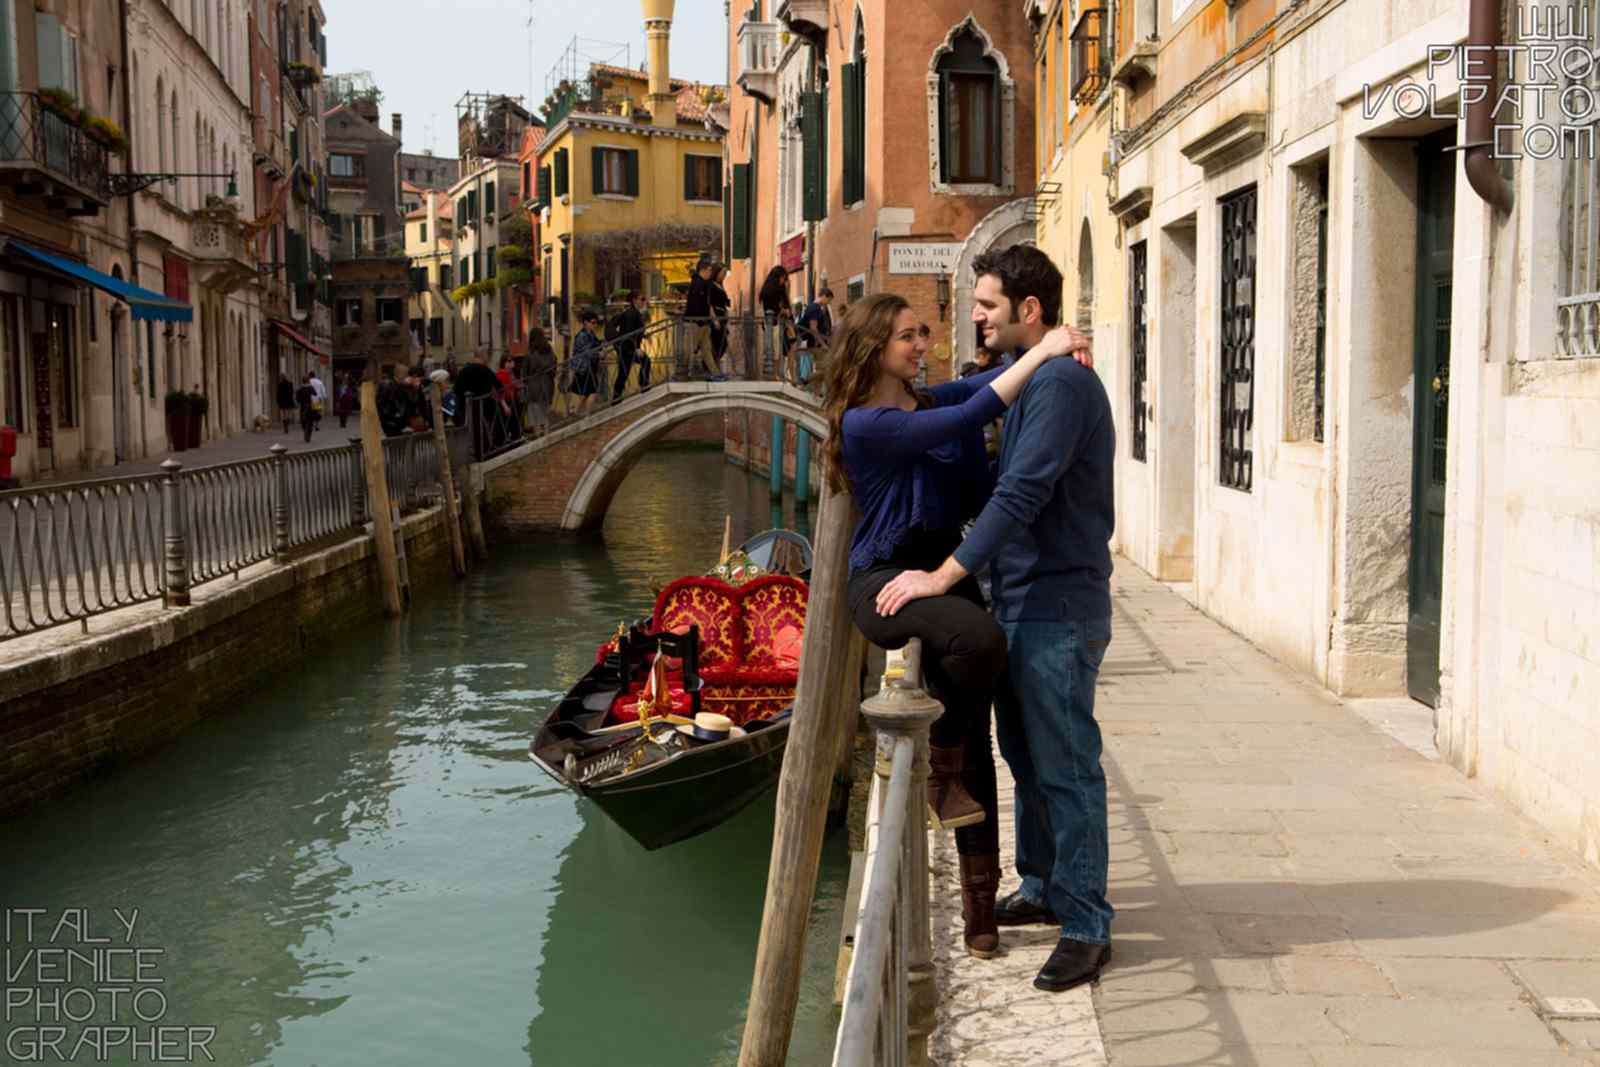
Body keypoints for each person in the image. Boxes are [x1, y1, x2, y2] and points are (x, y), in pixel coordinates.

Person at [874, 245, 1113, 994]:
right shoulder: (1027, 378)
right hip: (1019, 602)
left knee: (1067, 767)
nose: (974, 316)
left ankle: (1086, 923)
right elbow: (954, 399)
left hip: (1057, 606)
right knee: (1026, 757)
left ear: (1028, 311)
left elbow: (1022, 495)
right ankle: (1042, 883)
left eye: (985, 305)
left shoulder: (1063, 389)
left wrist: (944, 573)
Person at [822, 292, 1089, 962]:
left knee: (980, 739)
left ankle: (981, 913)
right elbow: (978, 406)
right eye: (908, 336)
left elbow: (971, 390)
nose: (921, 345)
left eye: (923, 333)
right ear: (873, 347)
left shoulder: (927, 403)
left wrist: (1040, 351)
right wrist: (1046, 351)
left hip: (939, 574)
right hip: (883, 582)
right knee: (983, 642)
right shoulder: (864, 423)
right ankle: (940, 761)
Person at [683, 259, 720, 379]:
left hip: (703, 323)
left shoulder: (705, 283)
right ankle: (682, 373)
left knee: (706, 349)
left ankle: (715, 373)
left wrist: (713, 320)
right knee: (690, 349)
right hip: (695, 323)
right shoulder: (697, 283)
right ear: (703, 270)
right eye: (709, 270)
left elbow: (707, 304)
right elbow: (695, 305)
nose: (711, 273)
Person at [611, 290, 650, 401]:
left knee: (624, 372)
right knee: (643, 362)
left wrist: (644, 335)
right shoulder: (631, 313)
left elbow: (634, 330)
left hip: (627, 348)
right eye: (642, 299)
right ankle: (643, 385)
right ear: (634, 300)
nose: (644, 302)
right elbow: (628, 332)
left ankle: (617, 397)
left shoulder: (633, 313)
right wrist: (636, 348)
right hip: (628, 348)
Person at [758, 266, 795, 383]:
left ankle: (780, 376)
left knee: (779, 350)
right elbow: (774, 308)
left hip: (777, 324)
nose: (784, 281)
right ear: (778, 277)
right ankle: (775, 376)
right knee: (775, 350)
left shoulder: (770, 289)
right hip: (774, 323)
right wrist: (784, 311)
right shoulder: (771, 290)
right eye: (783, 278)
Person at [568, 310, 602, 415]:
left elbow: (596, 346)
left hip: (589, 367)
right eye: (593, 322)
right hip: (583, 368)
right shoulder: (582, 335)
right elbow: (587, 352)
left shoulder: (591, 334)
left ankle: (577, 415)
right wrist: (599, 354)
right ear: (585, 322)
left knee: (585, 394)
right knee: (592, 392)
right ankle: (586, 416)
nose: (595, 325)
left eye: (596, 323)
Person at [524, 327, 556, 435]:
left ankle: (538, 439)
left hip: (533, 388)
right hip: (547, 386)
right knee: (546, 416)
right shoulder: (550, 351)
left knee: (535, 418)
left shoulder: (530, 354)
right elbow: (554, 367)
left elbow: (525, 373)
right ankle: (547, 438)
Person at [708, 265, 732, 376]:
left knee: (723, 344)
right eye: (723, 273)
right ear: (717, 273)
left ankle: (716, 369)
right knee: (716, 344)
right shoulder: (711, 286)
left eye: (725, 273)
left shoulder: (720, 285)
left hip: (723, 316)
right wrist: (715, 319)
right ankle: (715, 370)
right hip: (716, 316)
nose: (724, 276)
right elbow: (710, 304)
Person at [294, 374, 317, 443]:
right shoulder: (310, 387)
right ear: (308, 381)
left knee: (303, 421)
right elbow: (315, 394)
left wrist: (298, 402)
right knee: (310, 421)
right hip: (310, 406)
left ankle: (305, 431)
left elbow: (297, 398)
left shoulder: (300, 388)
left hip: (303, 407)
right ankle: (308, 434)